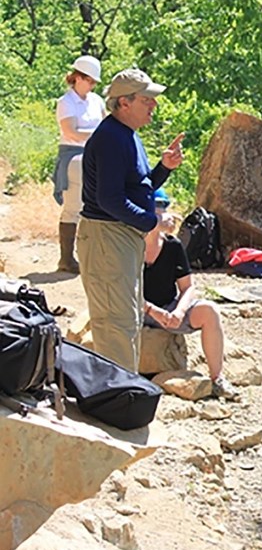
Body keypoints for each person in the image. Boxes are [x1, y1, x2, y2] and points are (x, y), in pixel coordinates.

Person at [77, 68, 184, 373]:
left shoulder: (127, 135)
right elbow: (108, 199)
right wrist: (150, 223)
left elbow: (138, 187)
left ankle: (123, 396)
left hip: (121, 237)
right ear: (124, 102)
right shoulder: (111, 138)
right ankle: (118, 404)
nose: (154, 105)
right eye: (146, 99)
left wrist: (164, 167)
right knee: (115, 324)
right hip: (107, 238)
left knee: (126, 318)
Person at [143, 189, 240, 401]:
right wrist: (152, 310)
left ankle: (217, 379)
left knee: (209, 311)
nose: (162, 215)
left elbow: (188, 286)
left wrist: (179, 311)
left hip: (167, 308)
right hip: (136, 310)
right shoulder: (129, 245)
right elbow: (125, 289)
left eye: (163, 210)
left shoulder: (172, 246)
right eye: (156, 211)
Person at [52, 55, 106, 273]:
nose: (92, 85)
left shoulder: (96, 101)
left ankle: (91, 254)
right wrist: (99, 134)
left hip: (95, 155)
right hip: (75, 156)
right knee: (74, 207)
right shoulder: (65, 102)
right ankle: (66, 258)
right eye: (90, 80)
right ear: (78, 78)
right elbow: (71, 132)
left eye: (94, 82)